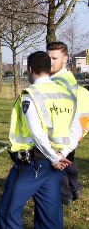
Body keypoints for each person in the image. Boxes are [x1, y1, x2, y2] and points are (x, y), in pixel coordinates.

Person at [0, 51, 81, 229]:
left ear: (30, 69)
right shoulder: (66, 95)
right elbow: (77, 129)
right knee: (50, 217)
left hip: (33, 165)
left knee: (7, 213)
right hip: (56, 168)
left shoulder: (30, 95)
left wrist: (54, 157)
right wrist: (62, 154)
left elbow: (37, 132)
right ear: (49, 68)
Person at [47, 41, 89, 205]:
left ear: (65, 59)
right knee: (68, 161)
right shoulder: (65, 80)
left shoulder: (61, 82)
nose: (50, 62)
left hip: (64, 133)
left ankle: (65, 196)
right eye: (48, 57)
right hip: (72, 131)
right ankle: (74, 188)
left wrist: (79, 131)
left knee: (59, 165)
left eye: (55, 58)